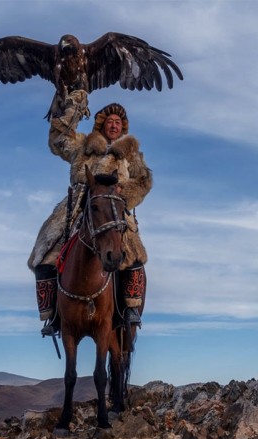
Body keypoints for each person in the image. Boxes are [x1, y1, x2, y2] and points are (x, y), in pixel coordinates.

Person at [27, 89, 152, 337]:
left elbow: (143, 182)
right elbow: (58, 141)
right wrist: (72, 108)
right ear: (101, 124)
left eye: (118, 122)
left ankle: (130, 309)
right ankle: (51, 315)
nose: (114, 125)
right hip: (77, 206)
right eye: (109, 121)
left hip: (114, 207)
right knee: (45, 256)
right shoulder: (84, 145)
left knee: (133, 255)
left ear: (123, 128)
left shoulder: (131, 154)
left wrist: (122, 196)